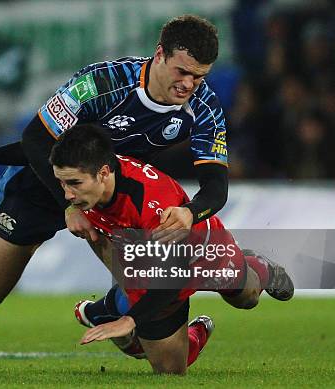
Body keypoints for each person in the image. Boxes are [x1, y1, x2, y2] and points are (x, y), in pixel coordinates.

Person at [0, 15, 231, 373]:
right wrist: (68, 206)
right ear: (160, 54)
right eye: (182, 71)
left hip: (111, 199)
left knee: (154, 321)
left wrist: (190, 212)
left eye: (199, 76)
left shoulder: (204, 108)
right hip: (41, 186)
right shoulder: (102, 83)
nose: (189, 84)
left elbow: (215, 186)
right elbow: (37, 140)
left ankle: (138, 324)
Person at [49, 125, 294, 374]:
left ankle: (260, 267)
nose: (67, 194)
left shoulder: (153, 207)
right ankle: (187, 335)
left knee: (247, 297)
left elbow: (174, 279)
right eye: (61, 184)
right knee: (170, 371)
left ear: (103, 173)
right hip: (146, 255)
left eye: (74, 184)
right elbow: (32, 150)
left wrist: (130, 319)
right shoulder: (84, 182)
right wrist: (69, 210)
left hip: (200, 253)